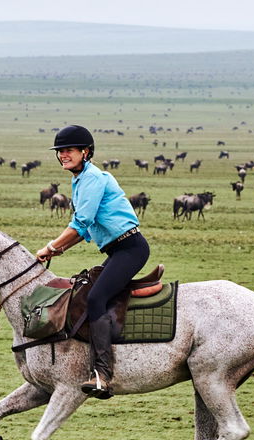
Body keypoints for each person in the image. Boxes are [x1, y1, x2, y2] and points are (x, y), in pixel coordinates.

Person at [34, 125, 150, 400]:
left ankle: (102, 374)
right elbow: (83, 230)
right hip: (117, 250)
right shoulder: (81, 180)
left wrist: (51, 246)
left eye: (69, 150)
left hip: (130, 249)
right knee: (86, 291)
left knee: (96, 298)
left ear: (85, 152)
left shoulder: (93, 179)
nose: (63, 155)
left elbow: (81, 222)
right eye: (60, 151)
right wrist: (57, 251)